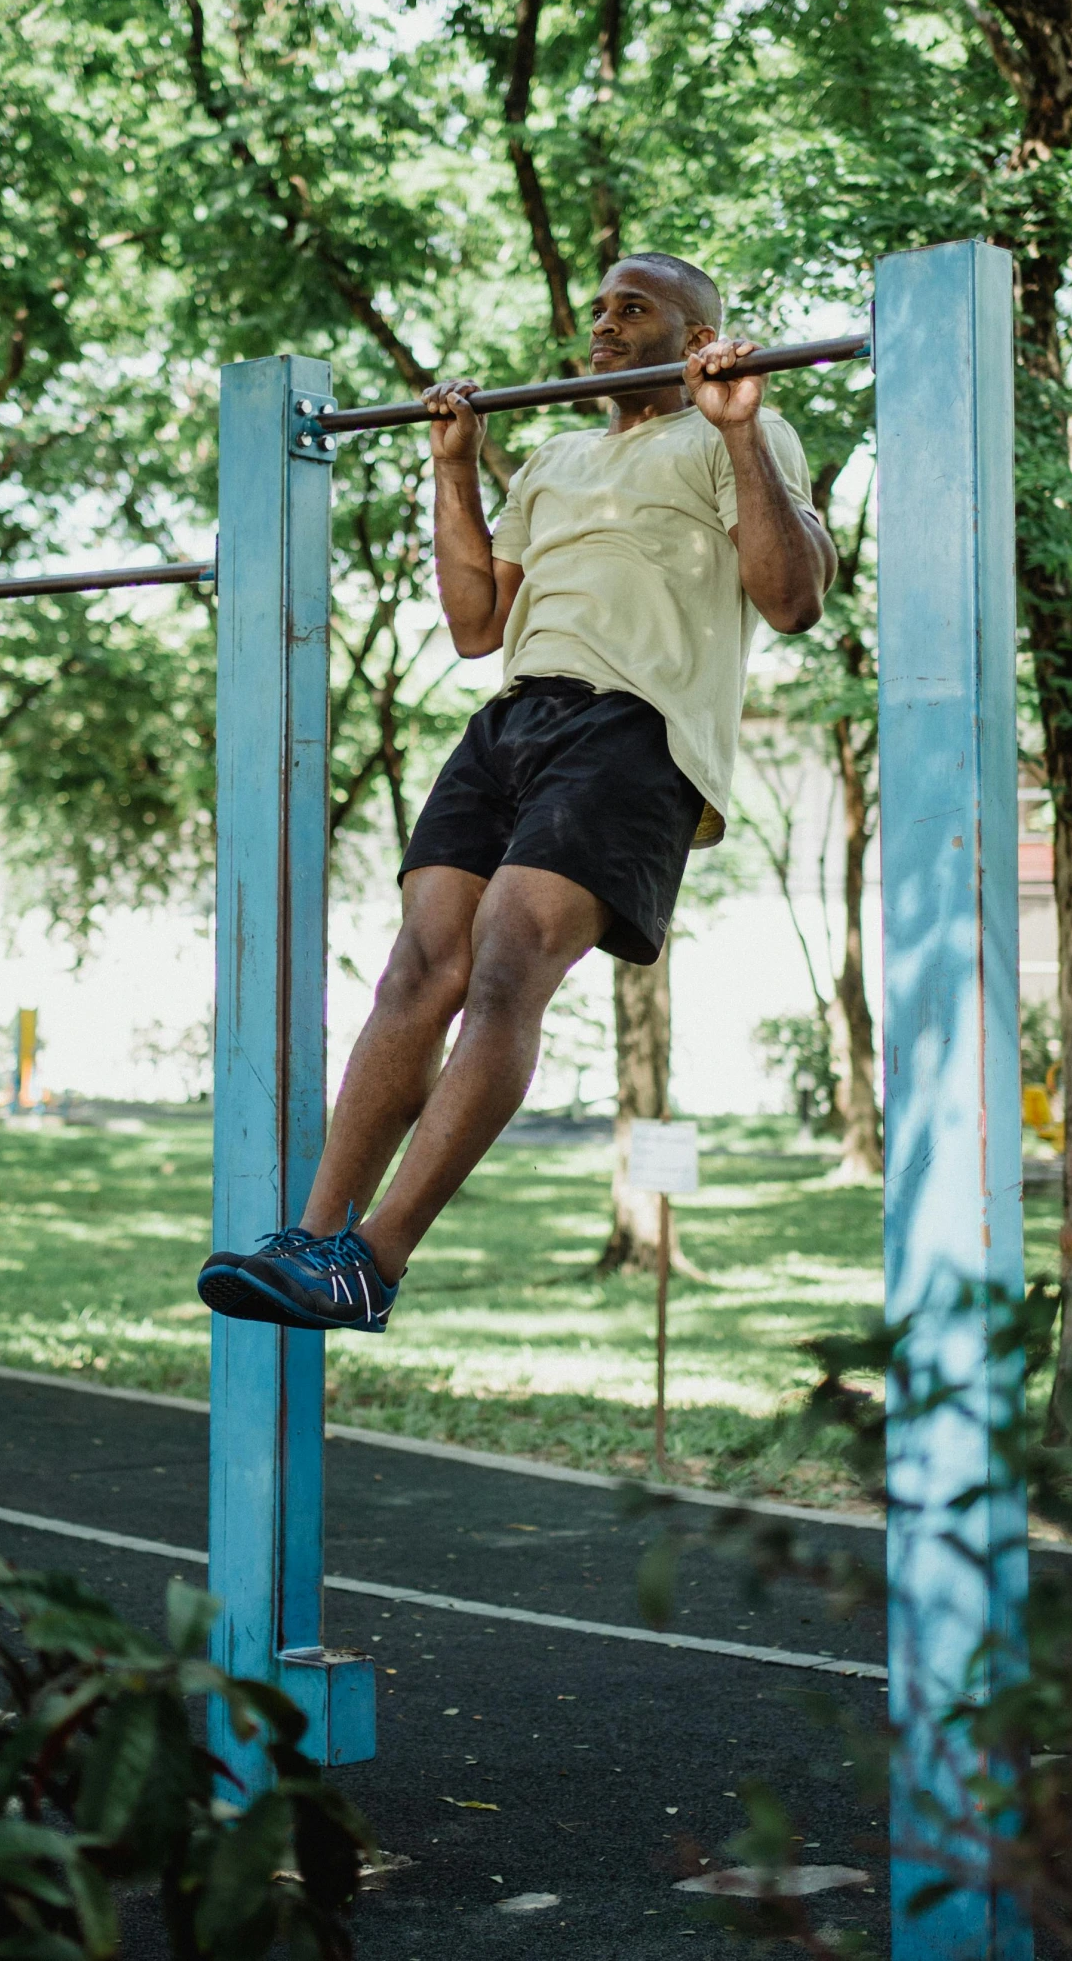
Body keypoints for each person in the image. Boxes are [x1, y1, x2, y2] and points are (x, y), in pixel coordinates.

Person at [197, 251, 835, 1335]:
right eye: (595, 308)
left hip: (635, 726)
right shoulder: (551, 457)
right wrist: (457, 468)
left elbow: (792, 599)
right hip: (514, 716)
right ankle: (310, 1240)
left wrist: (732, 425)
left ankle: (376, 1257)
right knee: (418, 962)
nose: (599, 323)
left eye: (629, 308)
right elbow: (473, 626)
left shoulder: (737, 431)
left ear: (690, 338)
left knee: (503, 959)